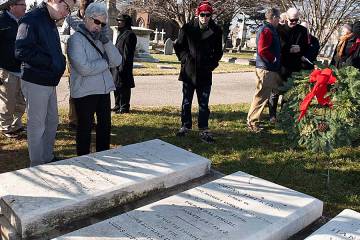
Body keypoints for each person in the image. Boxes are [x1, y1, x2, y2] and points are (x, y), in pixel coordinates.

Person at [15, 0, 75, 167]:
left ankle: (47, 158)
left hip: (48, 80)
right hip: (35, 80)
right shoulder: (31, 19)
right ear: (55, 1)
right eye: (66, 7)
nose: (67, 13)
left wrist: (60, 62)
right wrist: (51, 63)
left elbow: (53, 50)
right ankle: (37, 164)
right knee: (37, 124)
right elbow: (21, 51)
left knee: (51, 121)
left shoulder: (49, 20)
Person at [67, 2, 121, 156]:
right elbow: (84, 68)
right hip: (85, 91)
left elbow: (117, 61)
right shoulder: (75, 40)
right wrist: (105, 63)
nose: (99, 26)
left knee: (105, 126)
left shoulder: (101, 39)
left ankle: (103, 155)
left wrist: (106, 42)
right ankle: (82, 158)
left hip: (103, 90)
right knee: (85, 128)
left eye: (103, 24)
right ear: (86, 18)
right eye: (97, 21)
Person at [174, 0, 223, 143]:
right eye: (202, 14)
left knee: (203, 102)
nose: (205, 17)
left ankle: (204, 128)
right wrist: (185, 59)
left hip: (205, 71)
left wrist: (211, 64)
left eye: (208, 15)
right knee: (187, 101)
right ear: (198, 14)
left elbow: (218, 52)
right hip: (189, 71)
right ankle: (185, 125)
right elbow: (179, 46)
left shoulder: (216, 30)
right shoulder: (187, 28)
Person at [268, 7, 309, 122]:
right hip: (280, 66)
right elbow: (276, 46)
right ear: (286, 18)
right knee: (275, 92)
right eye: (292, 20)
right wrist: (288, 49)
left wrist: (300, 48)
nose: (294, 22)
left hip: (294, 66)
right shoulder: (279, 29)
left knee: (288, 93)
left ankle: (283, 115)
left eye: (296, 20)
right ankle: (272, 115)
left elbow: (306, 46)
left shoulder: (302, 30)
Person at [247, 8, 282, 133]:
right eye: (278, 18)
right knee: (261, 96)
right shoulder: (267, 30)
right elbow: (262, 50)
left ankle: (254, 120)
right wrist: (273, 59)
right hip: (266, 69)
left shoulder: (270, 29)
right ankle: (252, 122)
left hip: (267, 68)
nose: (279, 20)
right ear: (273, 17)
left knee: (263, 96)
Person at [60, 0, 93, 129]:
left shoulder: (95, 18)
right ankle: (74, 120)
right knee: (75, 89)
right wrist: (74, 40)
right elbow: (62, 36)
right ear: (81, 6)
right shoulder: (70, 18)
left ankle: (89, 119)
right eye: (85, 8)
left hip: (90, 59)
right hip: (74, 60)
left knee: (91, 91)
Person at [0, 0, 26, 138]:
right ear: (12, 6)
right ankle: (6, 127)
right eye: (22, 4)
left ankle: (17, 125)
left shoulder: (23, 21)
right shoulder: (2, 20)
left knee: (21, 101)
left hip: (21, 68)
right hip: (6, 69)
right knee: (7, 102)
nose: (25, 7)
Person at [111, 14, 137, 114]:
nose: (118, 22)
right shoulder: (121, 33)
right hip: (116, 64)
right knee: (116, 85)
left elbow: (127, 53)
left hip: (124, 65)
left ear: (126, 22)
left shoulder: (130, 34)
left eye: (120, 21)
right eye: (118, 20)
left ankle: (124, 107)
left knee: (124, 86)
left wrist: (123, 66)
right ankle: (117, 105)